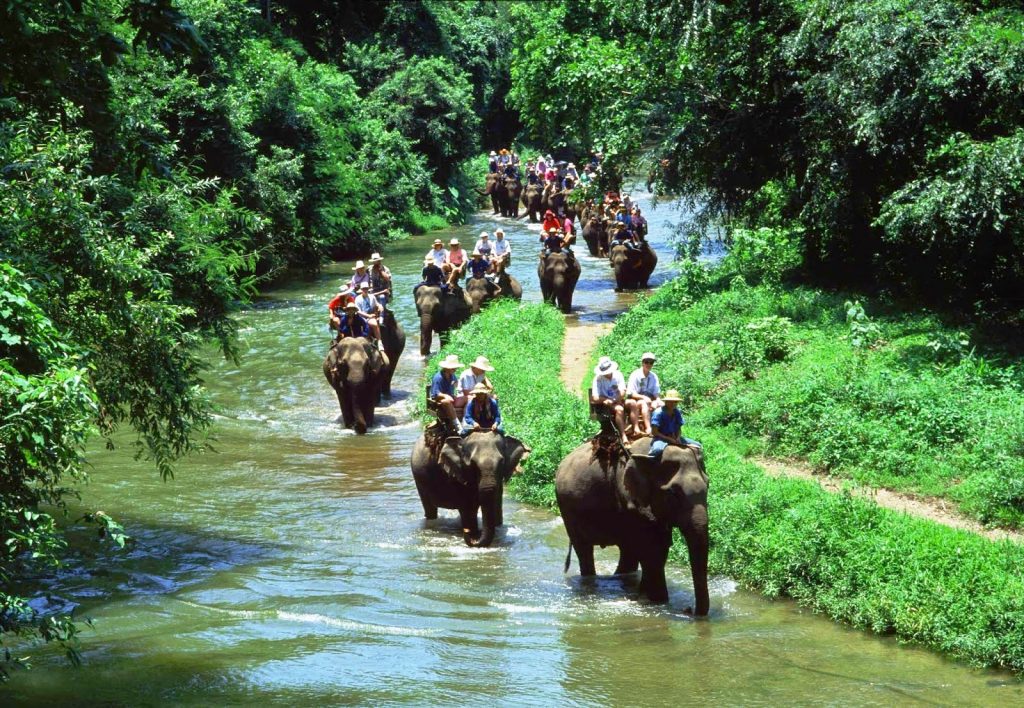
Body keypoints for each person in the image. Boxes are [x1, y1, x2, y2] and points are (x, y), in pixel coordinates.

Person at [648, 389, 701, 459]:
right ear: (666, 402)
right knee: (657, 450)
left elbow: (679, 427)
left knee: (698, 445)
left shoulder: (676, 412)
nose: (673, 404)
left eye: (675, 402)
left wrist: (678, 437)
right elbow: (654, 432)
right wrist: (669, 439)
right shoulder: (658, 413)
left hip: (674, 436)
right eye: (670, 402)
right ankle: (648, 463)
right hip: (661, 438)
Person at [591, 356, 629, 444]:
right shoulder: (598, 379)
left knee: (632, 404)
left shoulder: (618, 375)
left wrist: (615, 399)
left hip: (618, 400)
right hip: (604, 404)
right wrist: (606, 400)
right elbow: (595, 397)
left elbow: (623, 391)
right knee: (619, 409)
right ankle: (623, 435)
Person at [626, 352, 662, 436]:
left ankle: (666, 429)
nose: (649, 364)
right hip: (636, 400)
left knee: (662, 404)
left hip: (650, 399)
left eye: (651, 362)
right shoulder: (635, 375)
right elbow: (630, 393)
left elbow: (656, 392)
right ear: (642, 362)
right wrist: (643, 397)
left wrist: (657, 400)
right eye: (646, 362)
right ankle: (648, 428)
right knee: (644, 403)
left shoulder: (653, 376)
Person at [430, 354, 463, 430]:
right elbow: (436, 393)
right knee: (447, 401)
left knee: (466, 398)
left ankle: (466, 421)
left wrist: (456, 387)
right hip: (439, 400)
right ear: (446, 367)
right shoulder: (438, 377)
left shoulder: (452, 376)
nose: (455, 369)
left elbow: (456, 384)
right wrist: (445, 396)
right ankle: (457, 425)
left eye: (455, 368)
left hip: (451, 397)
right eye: (453, 368)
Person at [354, 282, 384, 346]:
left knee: (375, 322)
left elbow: (377, 303)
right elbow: (358, 311)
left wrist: (380, 306)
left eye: (366, 289)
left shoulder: (372, 296)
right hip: (362, 317)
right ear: (361, 290)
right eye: (364, 289)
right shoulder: (358, 299)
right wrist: (368, 316)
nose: (365, 290)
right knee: (374, 323)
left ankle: (379, 341)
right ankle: (376, 340)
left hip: (371, 315)